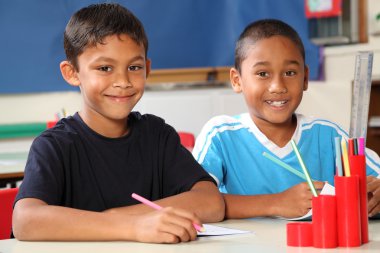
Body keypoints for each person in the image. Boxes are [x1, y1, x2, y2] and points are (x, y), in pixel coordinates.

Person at [12, 3, 224, 243]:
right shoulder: (55, 146)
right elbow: (25, 221)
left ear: (148, 69)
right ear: (72, 73)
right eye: (105, 68)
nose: (123, 81)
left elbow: (211, 201)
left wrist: (119, 217)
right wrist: (133, 226)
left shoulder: (157, 135)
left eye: (134, 67)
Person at [192, 19, 380, 219]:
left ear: (305, 78)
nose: (278, 86)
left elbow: (375, 183)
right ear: (237, 81)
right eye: (262, 73)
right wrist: (276, 203)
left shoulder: (329, 135)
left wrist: (375, 195)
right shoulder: (220, 136)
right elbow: (197, 203)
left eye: (290, 73)